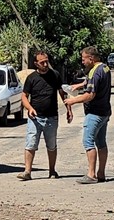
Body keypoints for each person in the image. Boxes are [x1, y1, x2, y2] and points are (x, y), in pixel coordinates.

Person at [16, 51, 72, 181]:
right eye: (42, 62)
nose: (46, 64)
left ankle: (52, 171)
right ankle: (27, 171)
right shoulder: (32, 78)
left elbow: (62, 93)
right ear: (36, 63)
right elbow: (24, 96)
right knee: (31, 143)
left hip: (52, 117)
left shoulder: (55, 75)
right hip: (35, 118)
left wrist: (69, 109)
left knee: (51, 145)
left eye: (47, 61)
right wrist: (29, 108)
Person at [64, 46, 112, 184]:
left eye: (84, 59)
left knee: (88, 141)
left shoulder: (94, 72)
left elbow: (90, 94)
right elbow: (91, 83)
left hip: (95, 113)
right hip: (105, 112)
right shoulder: (104, 68)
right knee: (101, 143)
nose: (82, 62)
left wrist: (73, 100)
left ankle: (91, 174)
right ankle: (101, 173)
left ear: (91, 58)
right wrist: (77, 86)